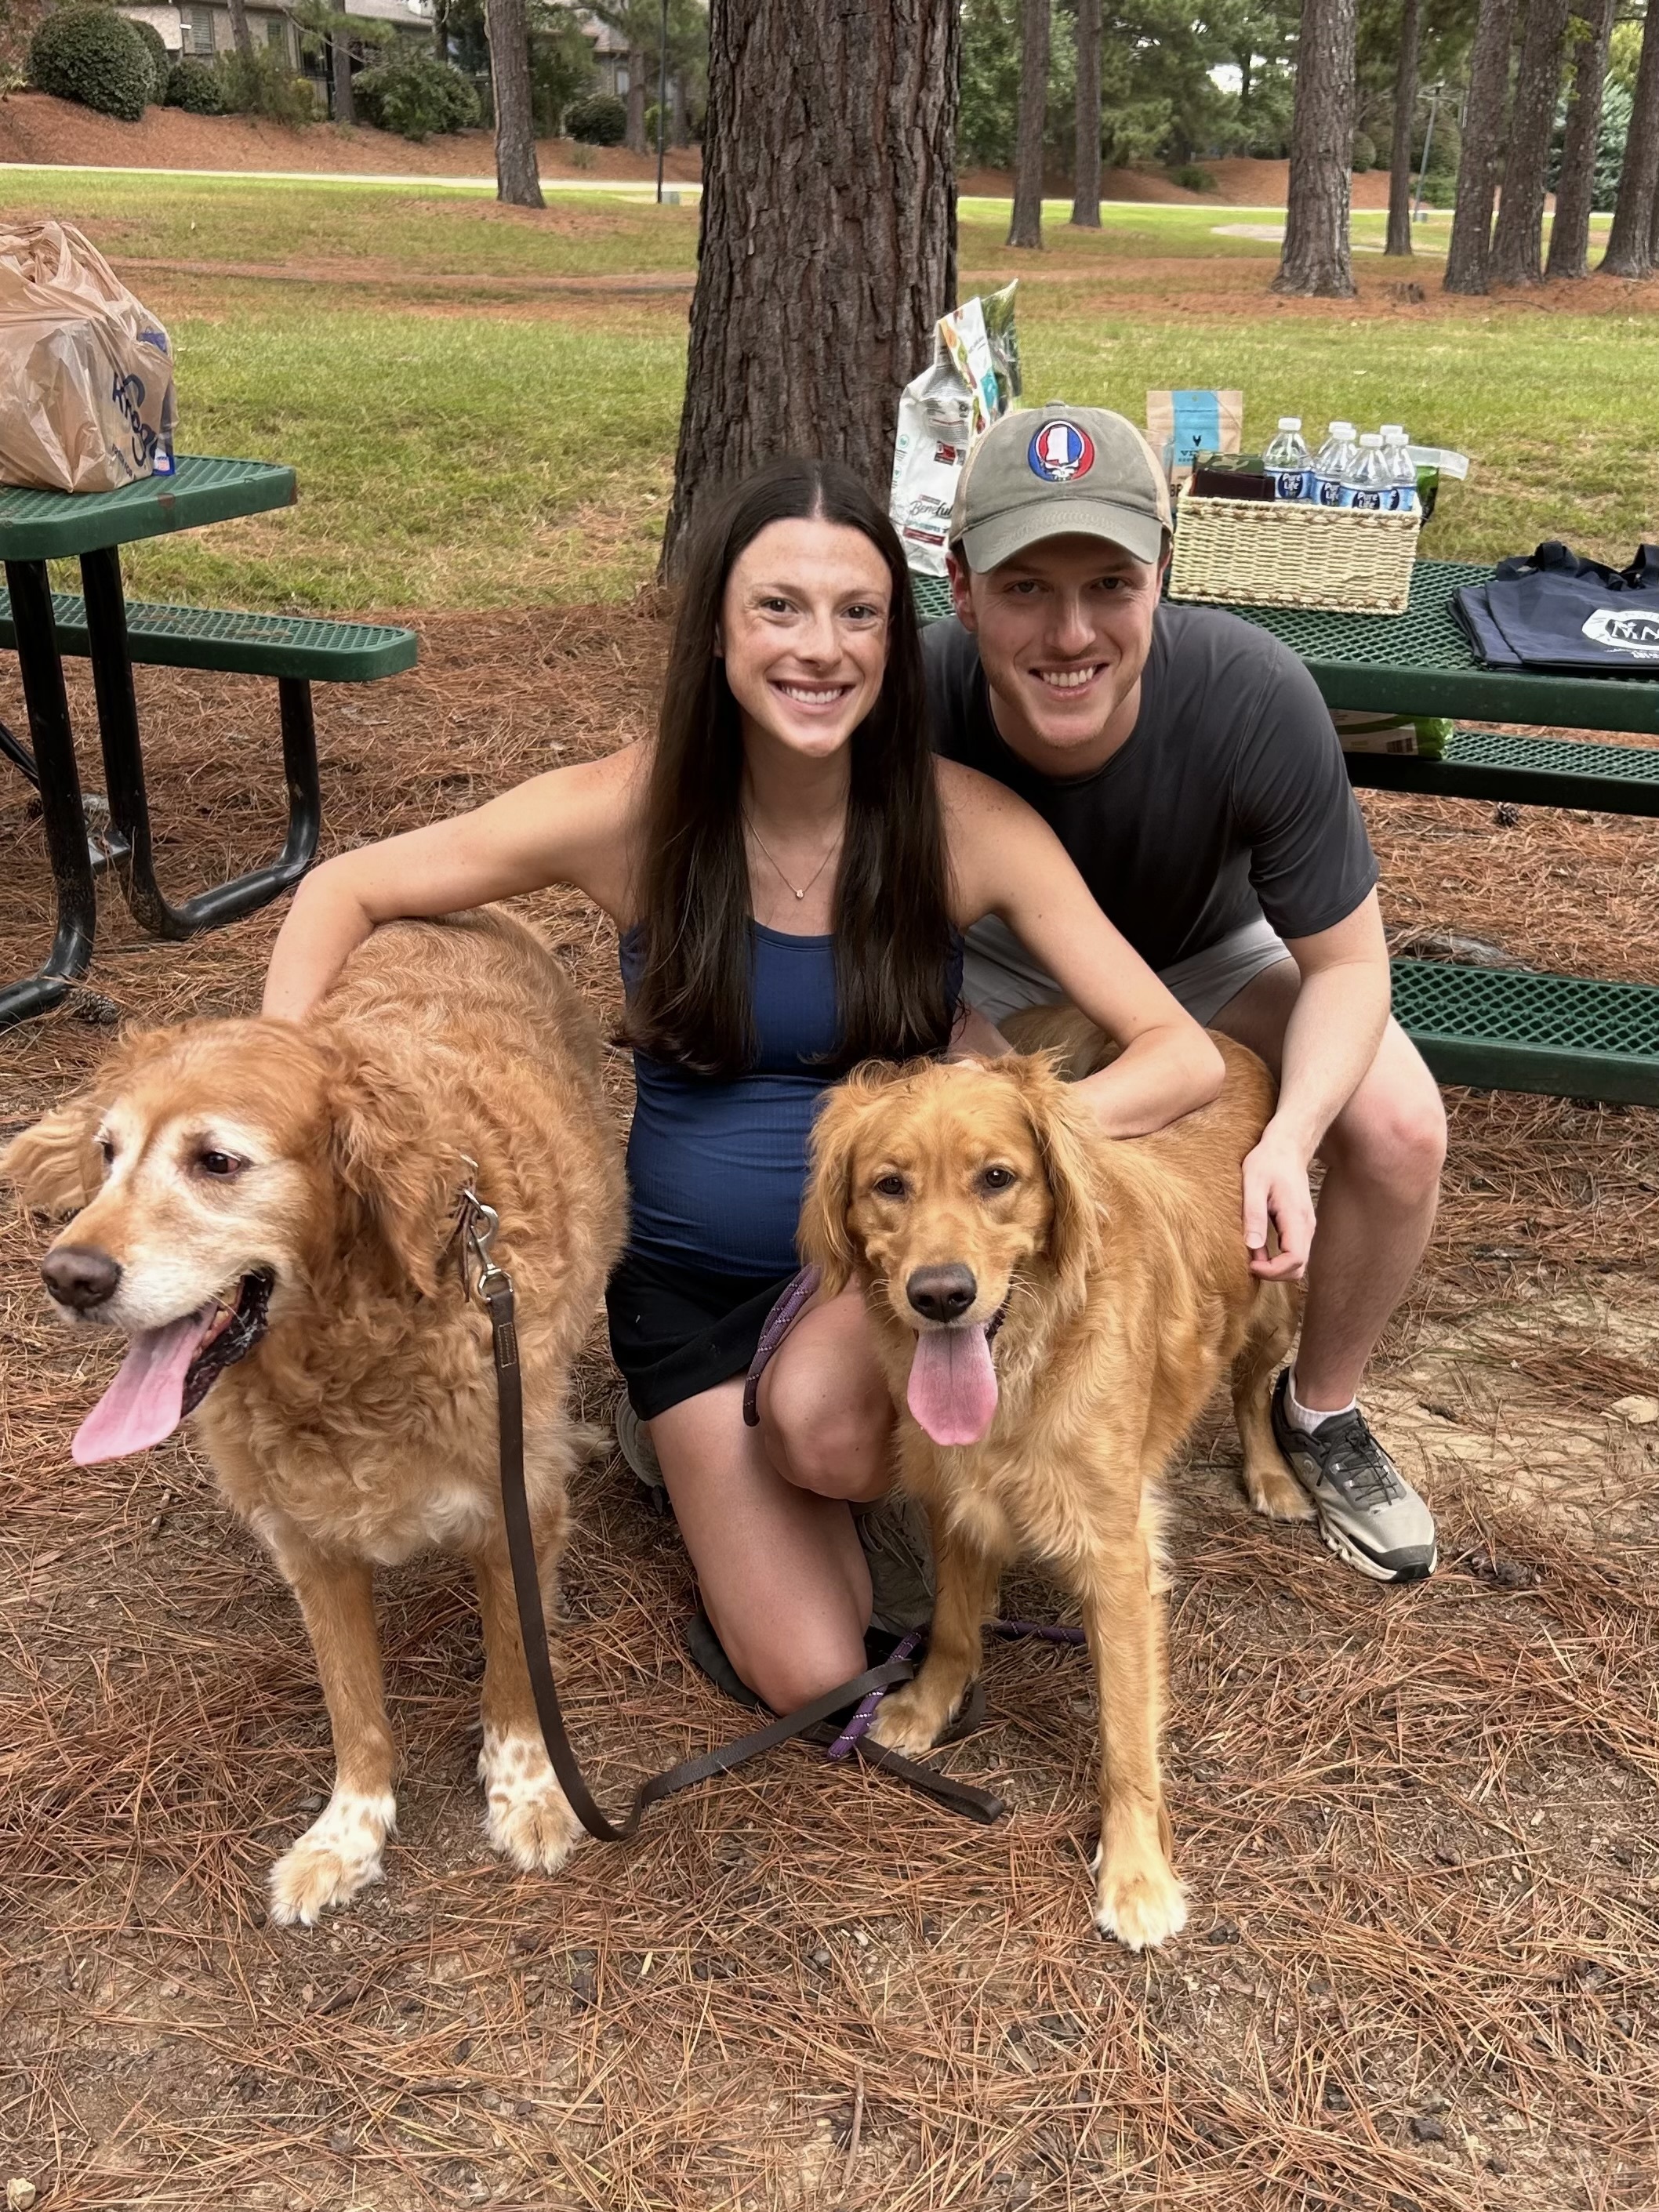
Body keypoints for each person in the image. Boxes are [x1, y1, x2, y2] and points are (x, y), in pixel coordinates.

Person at [263, 458, 1224, 1717]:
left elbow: (1180, 1050)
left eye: (858, 613)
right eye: (779, 608)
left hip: (869, 1272)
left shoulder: (961, 822)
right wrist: (279, 1093)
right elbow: (349, 886)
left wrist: (1019, 1148)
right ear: (717, 625)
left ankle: (835, 1445)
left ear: (897, 635)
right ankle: (704, 1444)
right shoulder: (629, 811)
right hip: (684, 1290)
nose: (820, 649)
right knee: (821, 1679)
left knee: (826, 1424)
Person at [925, 405, 1444, 1585]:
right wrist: (955, 1036)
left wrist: (1291, 1136)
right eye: (1024, 588)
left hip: (1211, 953)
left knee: (1402, 1125)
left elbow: (1352, 965)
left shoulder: (1253, 690)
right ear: (960, 587)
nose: (1071, 631)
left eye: (1110, 582)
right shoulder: (904, 697)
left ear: (1165, 572)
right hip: (998, 959)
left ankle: (1321, 1409)